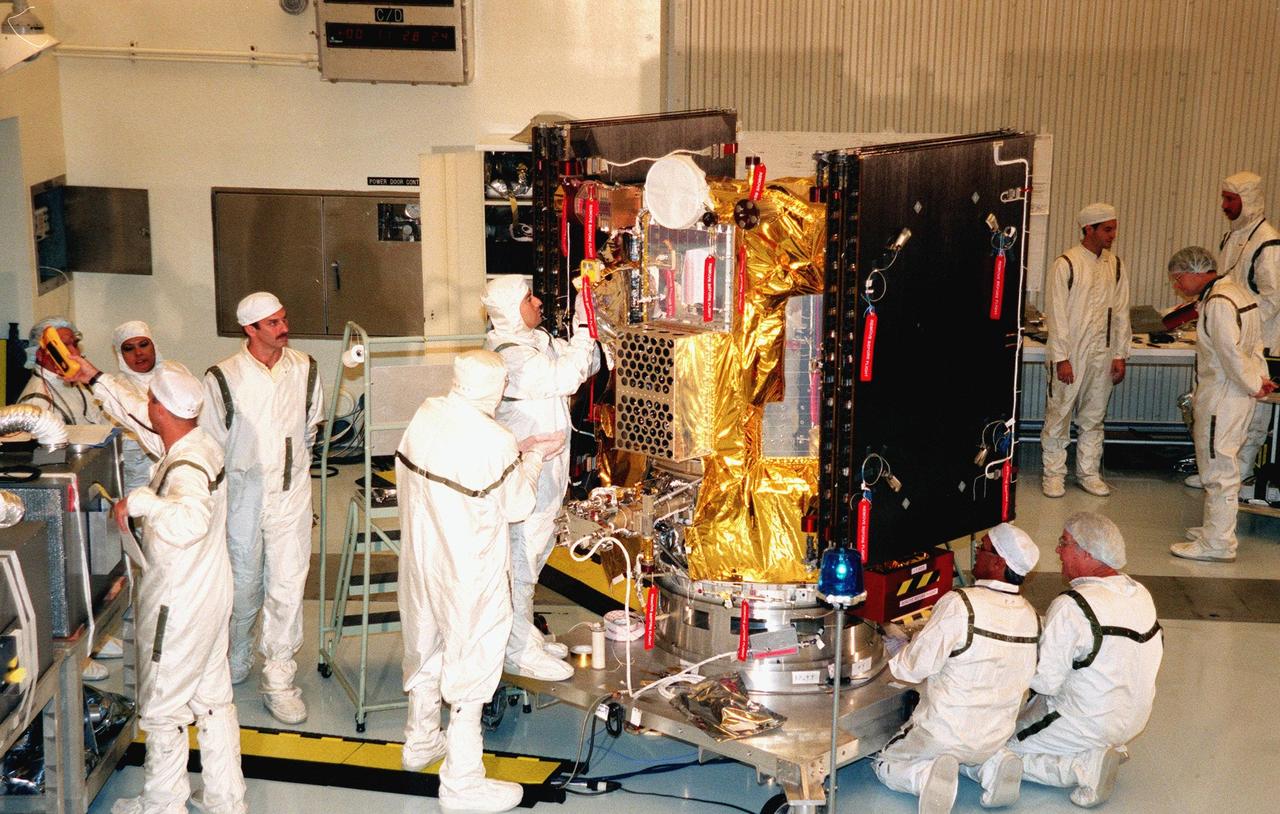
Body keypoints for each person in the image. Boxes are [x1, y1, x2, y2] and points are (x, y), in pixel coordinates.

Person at [66, 358, 247, 814]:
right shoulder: (198, 442)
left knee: (163, 708)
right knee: (213, 699)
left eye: (150, 400)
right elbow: (137, 417)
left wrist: (141, 500)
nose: (144, 406)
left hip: (179, 603)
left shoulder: (184, 469)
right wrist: (94, 378)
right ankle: (226, 799)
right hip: (211, 591)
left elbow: (190, 520)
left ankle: (162, 805)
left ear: (162, 409)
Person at [396, 350, 564, 812]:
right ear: (493, 389)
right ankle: (462, 783)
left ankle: (421, 741)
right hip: (468, 569)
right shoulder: (494, 438)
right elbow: (517, 507)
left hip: (420, 561)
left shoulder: (428, 412)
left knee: (426, 647)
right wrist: (531, 457)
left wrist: (515, 452)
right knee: (471, 670)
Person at [202, 292, 323, 724]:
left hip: (291, 492)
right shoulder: (223, 378)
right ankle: (235, 652)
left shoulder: (305, 369)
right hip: (242, 494)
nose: (283, 328)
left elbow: (309, 429)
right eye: (272, 323)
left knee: (288, 585)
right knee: (243, 582)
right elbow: (211, 445)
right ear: (249, 330)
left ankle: (279, 676)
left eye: (283, 318)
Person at [874, 523, 1041, 813]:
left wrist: (892, 652)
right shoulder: (1032, 616)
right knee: (972, 753)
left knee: (886, 762)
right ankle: (993, 765)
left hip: (942, 733)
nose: (976, 551)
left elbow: (911, 668)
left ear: (999, 562)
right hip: (995, 734)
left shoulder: (961, 603)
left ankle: (923, 778)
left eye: (983, 548)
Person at [480, 277, 599, 681]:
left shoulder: (535, 341)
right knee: (520, 561)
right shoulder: (510, 354)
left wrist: (602, 335)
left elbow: (587, 362)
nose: (539, 301)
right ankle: (516, 650)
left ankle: (523, 631)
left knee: (536, 552)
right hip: (525, 474)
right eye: (530, 298)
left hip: (549, 470)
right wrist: (585, 322)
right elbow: (567, 376)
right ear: (514, 309)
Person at [1010, 512, 1162, 808]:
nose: (1057, 550)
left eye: (1064, 543)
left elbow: (1045, 682)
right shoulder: (1139, 592)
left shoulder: (1072, 605)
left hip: (1086, 721)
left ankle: (1083, 767)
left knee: (993, 750)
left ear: (1087, 553)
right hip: (1133, 718)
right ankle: (1102, 749)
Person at [1165, 248, 1275, 561]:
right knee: (1226, 467)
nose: (1177, 285)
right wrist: (1259, 380)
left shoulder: (1219, 303)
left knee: (1217, 471)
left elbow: (1229, 354)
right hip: (1238, 394)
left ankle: (1217, 545)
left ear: (1195, 272)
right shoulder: (1238, 293)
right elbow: (1254, 347)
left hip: (1223, 398)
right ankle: (1216, 531)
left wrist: (1254, 383)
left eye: (1178, 278)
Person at [1193, 172, 1280, 496]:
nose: (1224, 206)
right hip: (1229, 335)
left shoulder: (1268, 242)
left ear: (1249, 201)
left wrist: (1232, 322)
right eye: (1224, 198)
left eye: (1230, 199)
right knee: (1221, 416)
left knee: (1251, 417)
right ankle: (1218, 473)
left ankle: (1237, 478)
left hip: (1259, 341)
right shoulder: (1233, 237)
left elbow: (1272, 299)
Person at [1041, 203, 1131, 499]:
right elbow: (1056, 316)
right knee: (1060, 413)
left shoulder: (1114, 265)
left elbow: (1120, 313)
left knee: (1094, 416)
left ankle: (1088, 472)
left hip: (1102, 354)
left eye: (1114, 228)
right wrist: (1061, 358)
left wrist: (1119, 354)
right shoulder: (1066, 264)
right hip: (1071, 354)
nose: (1113, 235)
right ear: (1088, 229)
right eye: (1107, 229)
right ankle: (1054, 474)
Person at [16, 316, 104, 426]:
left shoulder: (77, 381)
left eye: (75, 344)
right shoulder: (35, 401)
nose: (75, 352)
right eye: (63, 346)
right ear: (40, 354)